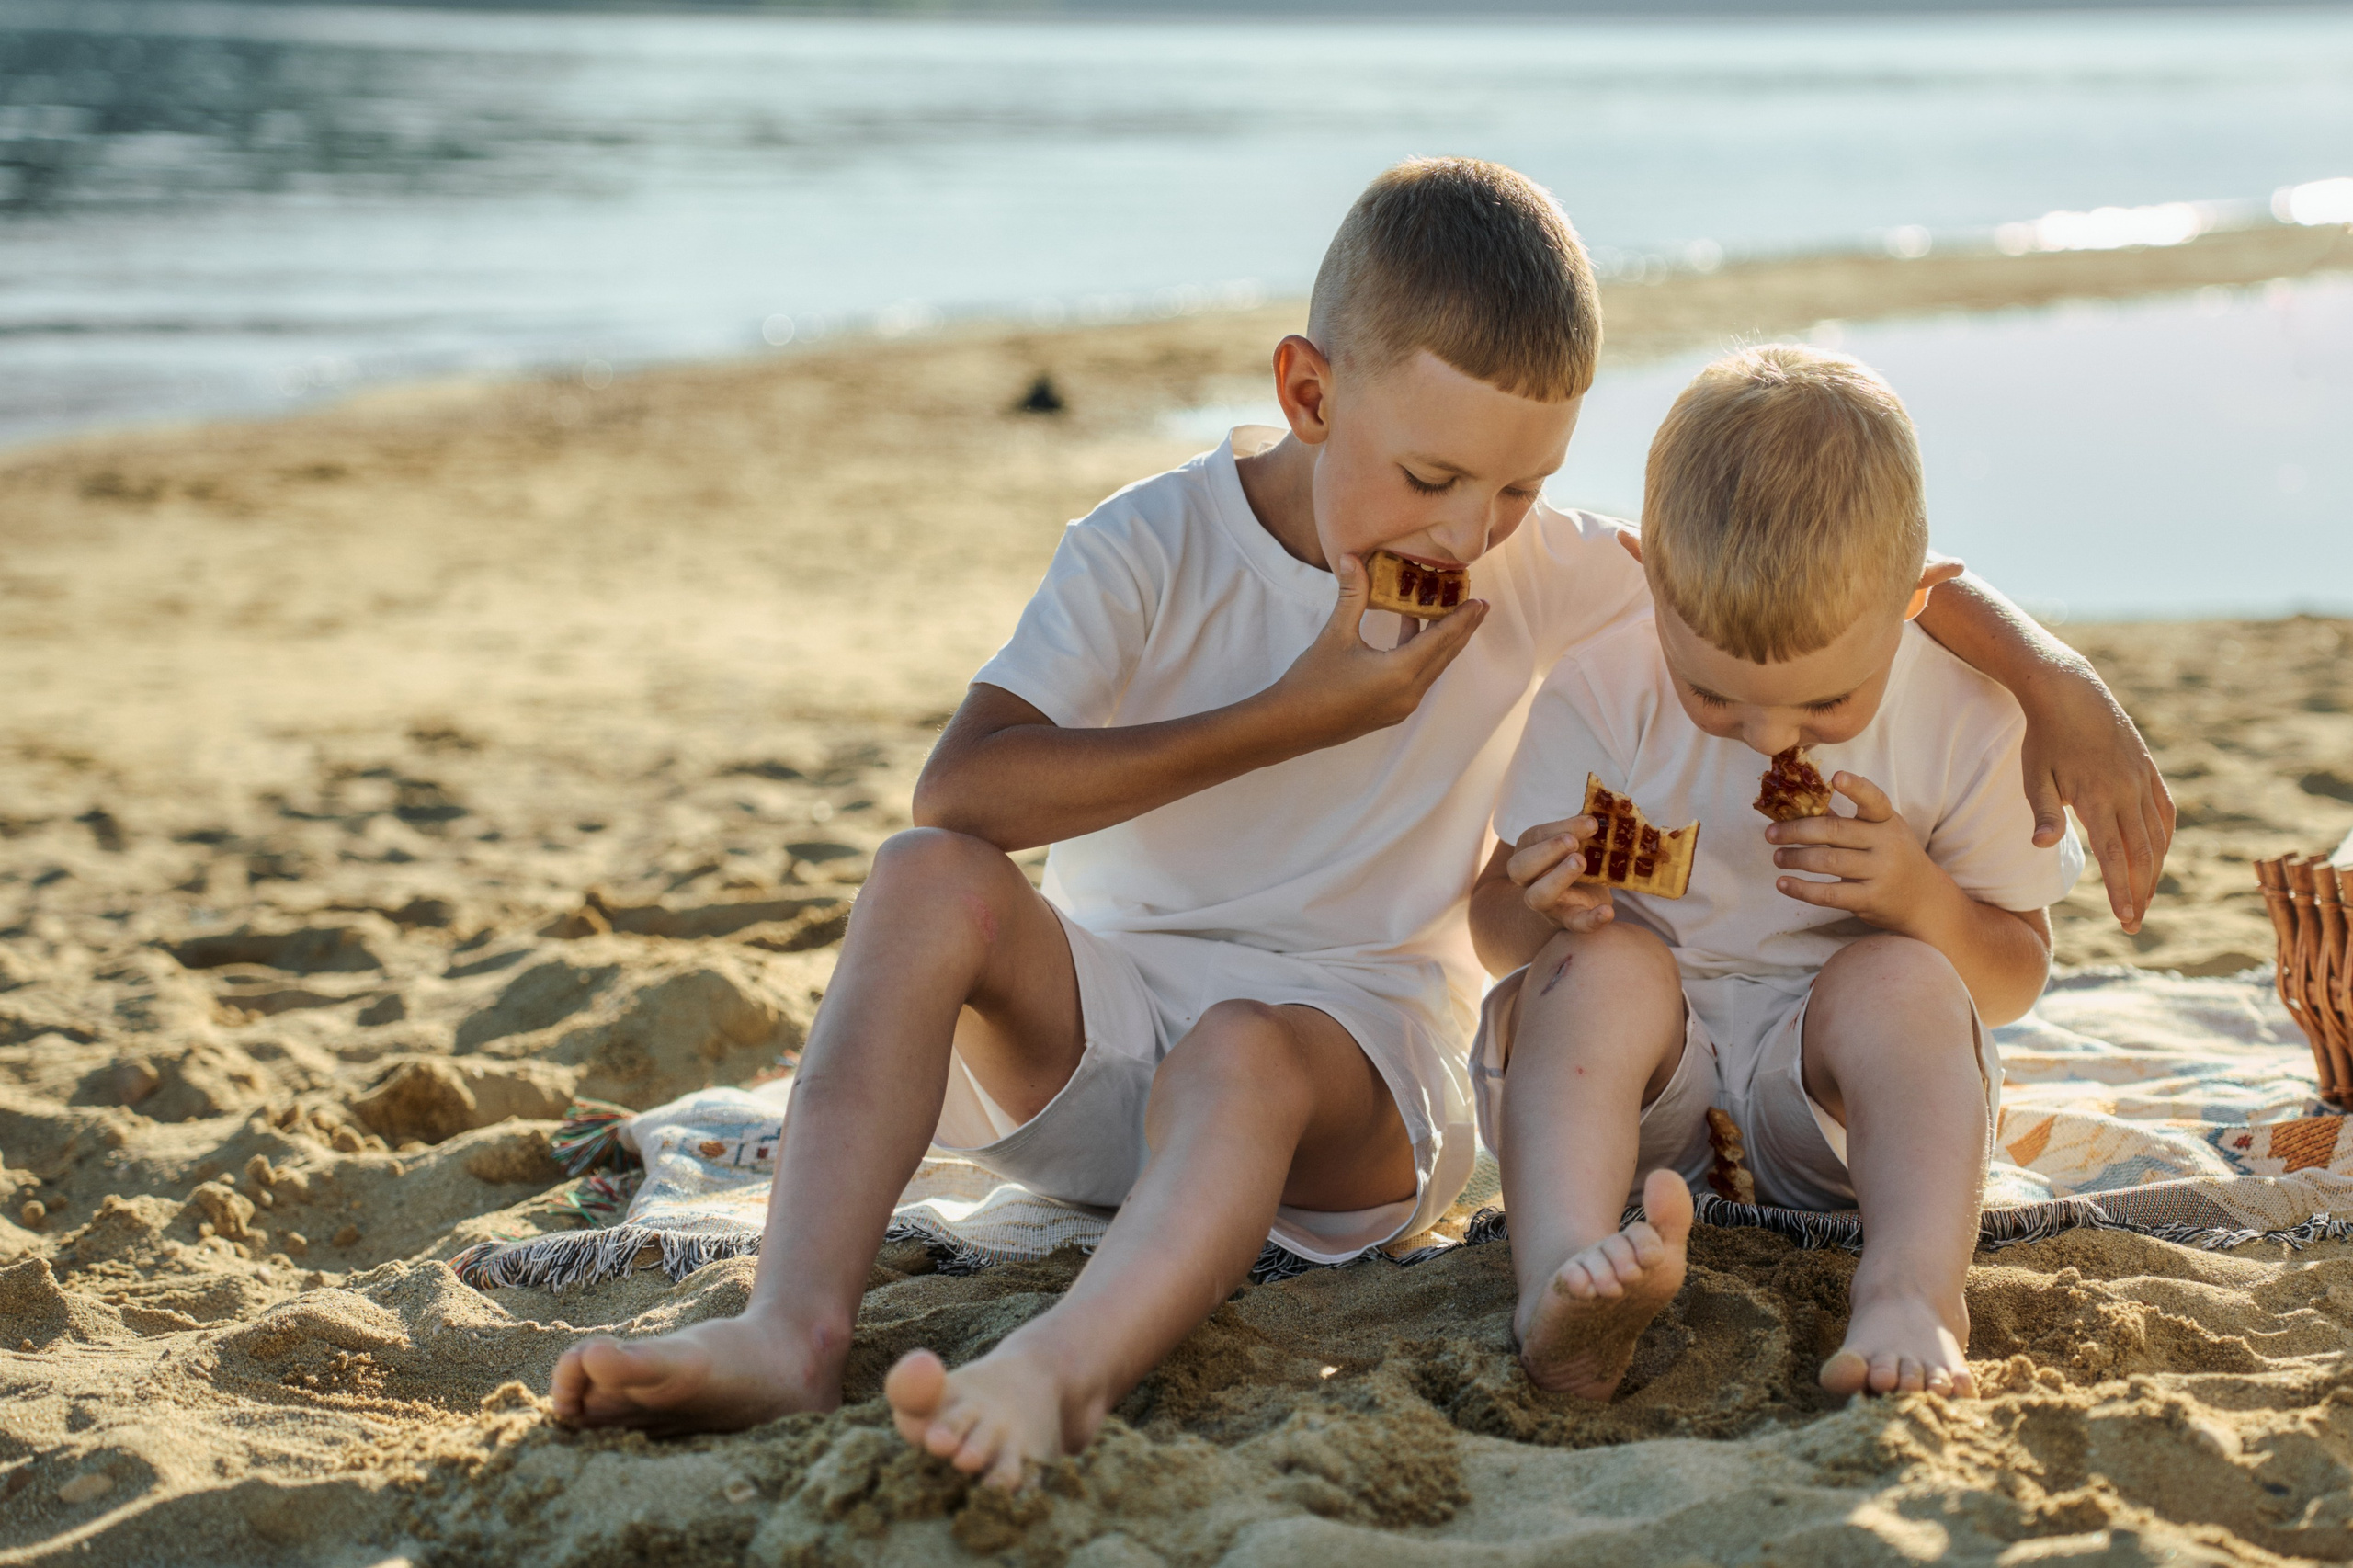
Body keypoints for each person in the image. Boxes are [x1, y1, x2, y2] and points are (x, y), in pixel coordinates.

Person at [549, 161, 2163, 1484]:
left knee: (1244, 1043)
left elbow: (1817, 587)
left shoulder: (1553, 579)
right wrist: (1306, 709)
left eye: (1521, 493)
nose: (1471, 535)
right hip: (1109, 1010)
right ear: (1309, 392)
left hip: (1349, 1064)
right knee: (920, 882)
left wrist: (2056, 677)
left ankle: (1059, 1373)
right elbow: (963, 793)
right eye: (1433, 477)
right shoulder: (1147, 547)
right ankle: (791, 1328)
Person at [1472, 343, 2084, 1404]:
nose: (1766, 736)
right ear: (1646, 575)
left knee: (1899, 976)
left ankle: (1910, 1294)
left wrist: (1919, 900)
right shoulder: (1601, 690)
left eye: (1823, 706)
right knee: (1600, 962)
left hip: (1845, 1120)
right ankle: (1560, 1279)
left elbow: (2014, 980)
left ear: (1916, 598)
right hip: (1643, 1107)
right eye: (1712, 694)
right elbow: (1490, 938)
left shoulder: (1968, 714)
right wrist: (1533, 900)